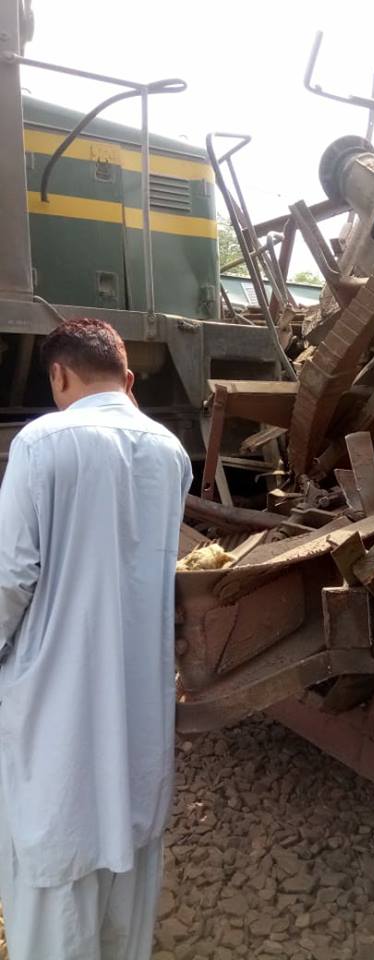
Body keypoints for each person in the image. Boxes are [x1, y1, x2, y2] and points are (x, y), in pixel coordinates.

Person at [0, 319, 192, 960]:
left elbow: (10, 579)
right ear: (128, 379)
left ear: (58, 375)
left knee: (56, 856)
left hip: (57, 699)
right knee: (127, 852)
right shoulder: (171, 453)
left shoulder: (41, 443)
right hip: (138, 699)